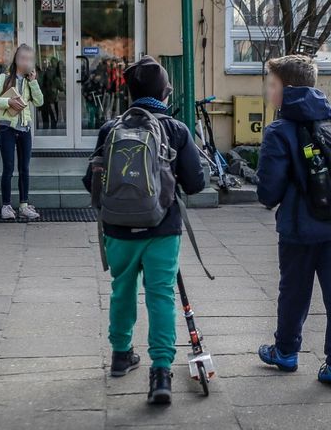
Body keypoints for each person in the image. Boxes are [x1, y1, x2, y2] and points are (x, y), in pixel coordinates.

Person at [83, 55, 206, 405]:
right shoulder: (176, 129)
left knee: (122, 290)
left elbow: (89, 181)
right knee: (161, 295)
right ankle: (161, 373)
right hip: (162, 228)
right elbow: (195, 183)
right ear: (165, 93)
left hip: (118, 229)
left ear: (130, 93)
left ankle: (121, 355)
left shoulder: (111, 129)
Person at [255, 54, 331, 389]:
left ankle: (285, 352)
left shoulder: (279, 131)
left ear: (287, 89)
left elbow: (268, 193)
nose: (269, 92)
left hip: (299, 229)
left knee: (294, 292)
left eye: (272, 85)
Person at [0, 44, 44, 220]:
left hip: (25, 129)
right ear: (17, 59)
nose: (27, 62)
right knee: (9, 167)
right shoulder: (5, 78)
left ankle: (24, 206)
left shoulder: (29, 80)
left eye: (29, 59)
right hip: (7, 128)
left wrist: (34, 81)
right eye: (23, 58)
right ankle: (6, 206)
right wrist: (8, 102)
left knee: (24, 168)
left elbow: (40, 102)